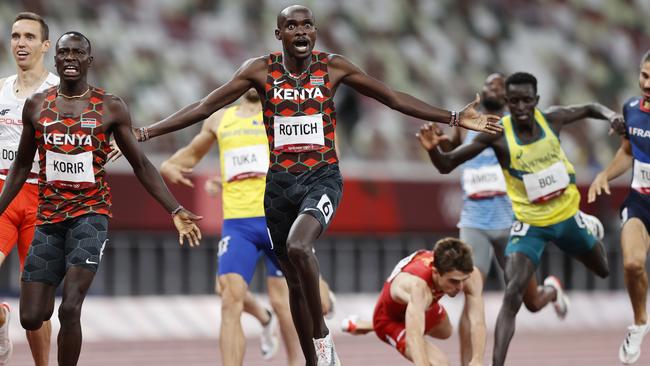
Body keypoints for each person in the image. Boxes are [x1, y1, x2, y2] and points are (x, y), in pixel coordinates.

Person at [134, 5, 501, 365]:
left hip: (321, 178)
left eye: (307, 25)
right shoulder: (260, 71)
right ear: (279, 34)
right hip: (278, 186)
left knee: (297, 245)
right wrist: (148, 131)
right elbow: (203, 106)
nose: (301, 32)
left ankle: (322, 338)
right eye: (291, 26)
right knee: (292, 283)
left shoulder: (333, 67)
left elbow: (391, 97)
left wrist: (453, 116)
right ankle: (315, 361)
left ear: (315, 31)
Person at [0, 32, 201, 366]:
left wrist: (175, 208)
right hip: (49, 217)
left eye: (78, 53)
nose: (70, 58)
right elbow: (20, 166)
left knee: (70, 306)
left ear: (89, 61)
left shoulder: (110, 106)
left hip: (91, 214)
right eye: (64, 52)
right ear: (56, 60)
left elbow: (141, 164)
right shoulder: (37, 106)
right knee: (32, 317)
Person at [417, 72, 620, 366]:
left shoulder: (546, 120)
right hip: (504, 224)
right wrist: (433, 149)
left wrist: (612, 115)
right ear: (503, 101)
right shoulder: (484, 132)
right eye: (513, 100)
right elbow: (447, 163)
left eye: (526, 100)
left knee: (570, 284)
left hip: (539, 217)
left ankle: (559, 275)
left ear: (533, 100)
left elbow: (588, 108)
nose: (520, 106)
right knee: (493, 295)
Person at [157, 89, 335, 366]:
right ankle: (264, 321)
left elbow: (309, 157)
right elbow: (188, 156)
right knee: (229, 297)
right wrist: (170, 166)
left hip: (277, 217)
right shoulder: (219, 120)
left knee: (287, 300)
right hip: (238, 223)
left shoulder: (280, 114)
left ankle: (298, 357)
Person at [433, 73, 568, 365]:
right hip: (474, 223)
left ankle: (552, 290)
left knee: (531, 302)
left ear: (507, 96)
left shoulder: (518, 128)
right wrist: (438, 145)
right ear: (482, 94)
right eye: (487, 86)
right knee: (471, 292)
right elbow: (447, 157)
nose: (492, 89)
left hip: (512, 224)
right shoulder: (468, 127)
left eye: (498, 86)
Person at [0, 12, 59, 366]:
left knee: (35, 308)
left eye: (29, 37)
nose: (21, 43)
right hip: (3, 193)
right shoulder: (0, 89)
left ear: (45, 45)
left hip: (43, 199)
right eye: (15, 36)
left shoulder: (58, 91)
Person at [588, 50, 650, 364]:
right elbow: (628, 151)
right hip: (641, 201)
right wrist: (605, 174)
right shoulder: (631, 108)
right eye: (644, 75)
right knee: (632, 265)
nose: (647, 84)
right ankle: (640, 323)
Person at [343, 238, 485, 366]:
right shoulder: (418, 287)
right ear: (435, 272)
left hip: (422, 306)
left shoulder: (472, 275)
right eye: (453, 281)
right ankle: (376, 325)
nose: (460, 287)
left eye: (463, 280)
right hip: (389, 319)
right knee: (440, 363)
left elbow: (477, 322)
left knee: (446, 331)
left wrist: (477, 360)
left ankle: (367, 325)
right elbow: (414, 336)